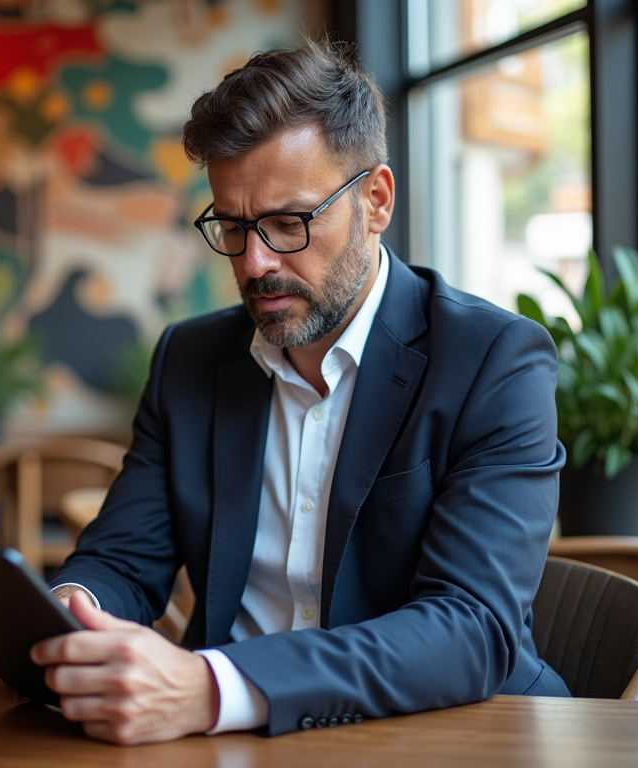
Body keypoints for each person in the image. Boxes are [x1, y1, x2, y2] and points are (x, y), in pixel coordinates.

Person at [30, 39, 570, 745]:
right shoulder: (189, 360)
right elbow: (124, 559)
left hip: (446, 737)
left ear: (376, 201)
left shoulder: (493, 361)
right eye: (232, 225)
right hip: (222, 741)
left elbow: (471, 629)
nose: (256, 263)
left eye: (290, 223)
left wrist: (211, 687)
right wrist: (76, 612)